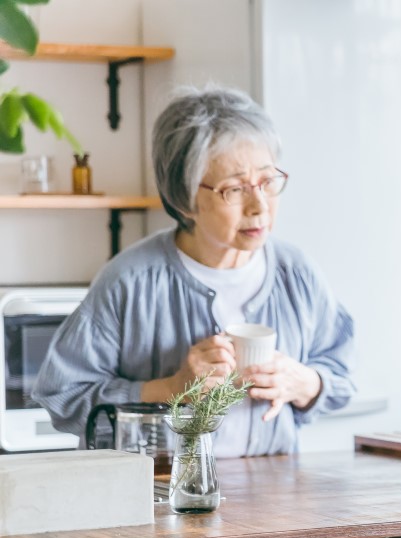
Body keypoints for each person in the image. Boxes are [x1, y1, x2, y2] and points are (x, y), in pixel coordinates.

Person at [33, 86, 355, 456]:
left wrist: (305, 384)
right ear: (183, 198)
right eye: (234, 189)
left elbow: (341, 375)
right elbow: (62, 395)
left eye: (267, 181)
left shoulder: (295, 272)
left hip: (277, 497)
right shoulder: (130, 281)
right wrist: (170, 389)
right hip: (158, 497)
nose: (259, 206)